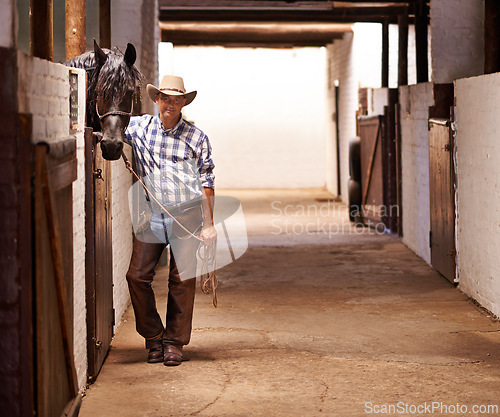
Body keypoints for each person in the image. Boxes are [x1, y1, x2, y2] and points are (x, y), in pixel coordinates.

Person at [124, 75, 216, 366]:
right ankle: (154, 338)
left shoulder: (197, 137)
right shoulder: (139, 127)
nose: (170, 104)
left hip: (187, 215)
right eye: (165, 98)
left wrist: (210, 224)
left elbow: (207, 181)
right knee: (137, 276)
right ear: (157, 100)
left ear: (183, 103)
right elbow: (110, 125)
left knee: (182, 280)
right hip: (151, 215)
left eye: (176, 99)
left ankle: (174, 342)